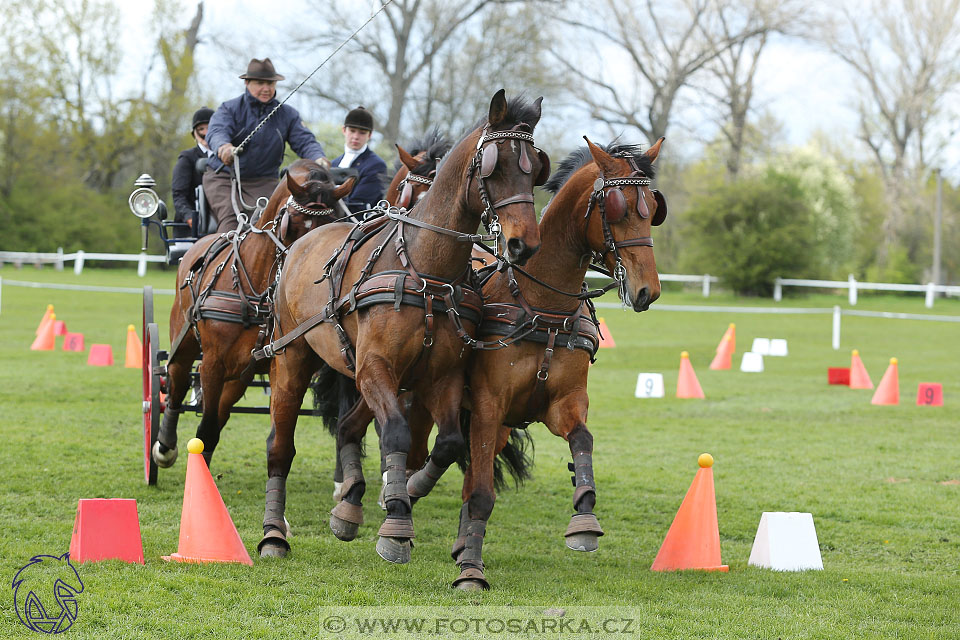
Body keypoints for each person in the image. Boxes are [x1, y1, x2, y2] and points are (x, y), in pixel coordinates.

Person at [204, 58, 328, 234]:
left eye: (270, 83)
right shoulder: (229, 109)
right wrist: (224, 148)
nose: (266, 88)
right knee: (233, 220)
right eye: (260, 83)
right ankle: (222, 260)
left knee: (274, 220)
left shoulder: (287, 115)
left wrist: (319, 158)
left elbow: (305, 141)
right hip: (224, 178)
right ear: (247, 83)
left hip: (264, 181)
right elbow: (216, 132)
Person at [331, 106, 387, 213]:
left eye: (362, 132)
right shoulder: (334, 163)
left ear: (369, 135)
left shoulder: (376, 165)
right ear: (344, 130)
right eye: (352, 131)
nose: (356, 136)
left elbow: (357, 204)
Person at [171, 107, 215, 238]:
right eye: (201, 129)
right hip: (192, 229)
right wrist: (190, 217)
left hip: (223, 224)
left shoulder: (225, 156)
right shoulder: (187, 158)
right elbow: (179, 195)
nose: (206, 133)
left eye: (210, 127)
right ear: (194, 134)